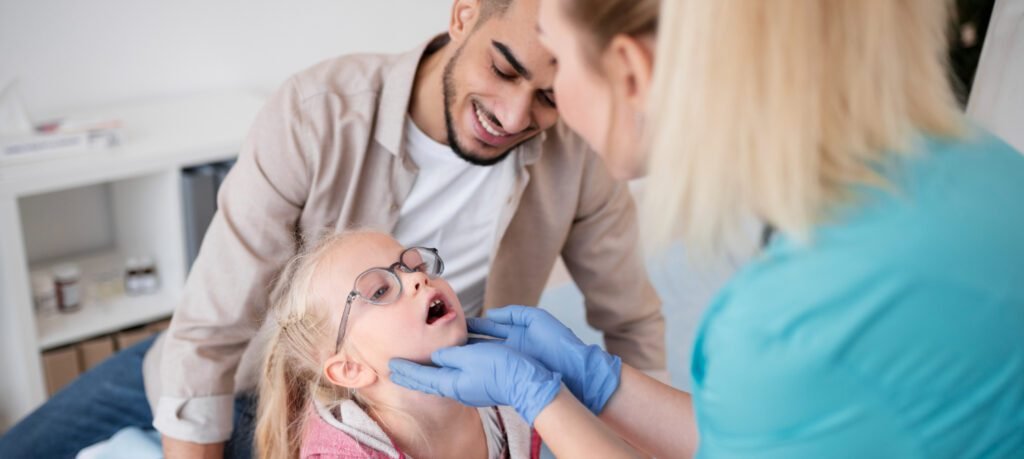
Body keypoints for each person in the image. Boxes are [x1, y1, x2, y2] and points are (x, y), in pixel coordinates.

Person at [0, 0, 667, 457]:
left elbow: (633, 325)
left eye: (550, 96)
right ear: (464, 13)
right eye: (503, 67)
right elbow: (207, 333)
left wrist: (613, 425)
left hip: (381, 404)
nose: (515, 113)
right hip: (236, 373)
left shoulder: (577, 157)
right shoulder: (316, 113)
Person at [389, 0, 1024, 457]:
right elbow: (756, 432)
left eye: (557, 60)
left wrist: (544, 401)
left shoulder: (784, 329)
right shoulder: (984, 164)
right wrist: (594, 379)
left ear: (631, 72)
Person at [257, 230, 541, 458]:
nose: (419, 278)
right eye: (380, 291)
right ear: (350, 369)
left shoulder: (512, 394)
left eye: (416, 266)